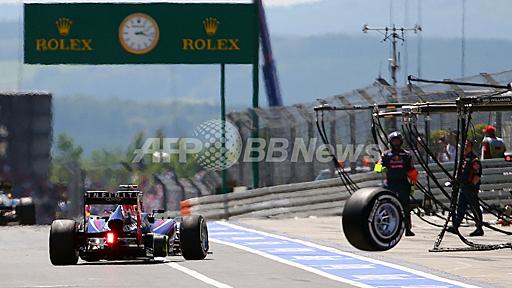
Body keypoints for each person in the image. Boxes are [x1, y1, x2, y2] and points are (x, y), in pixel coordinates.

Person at [375, 131, 418, 237]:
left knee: (405, 207)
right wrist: (381, 168)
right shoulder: (386, 154)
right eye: (394, 141)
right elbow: (377, 167)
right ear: (390, 142)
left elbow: (412, 170)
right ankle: (386, 228)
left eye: (397, 141)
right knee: (387, 206)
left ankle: (407, 228)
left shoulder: (407, 154)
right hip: (390, 183)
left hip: (403, 183)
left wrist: (413, 184)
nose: (396, 143)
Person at [449, 140, 484, 236]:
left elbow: (478, 174)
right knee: (461, 207)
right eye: (464, 145)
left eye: (467, 145)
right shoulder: (463, 159)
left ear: (471, 147)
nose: (465, 147)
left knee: (474, 207)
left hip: (470, 187)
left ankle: (479, 228)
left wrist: (472, 186)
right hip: (463, 186)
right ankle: (456, 226)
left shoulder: (474, 159)